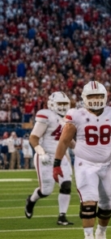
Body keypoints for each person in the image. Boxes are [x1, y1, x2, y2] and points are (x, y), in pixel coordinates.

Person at [52, 82, 111, 239]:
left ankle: (101, 233)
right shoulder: (77, 115)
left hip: (107, 165)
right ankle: (88, 238)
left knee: (108, 203)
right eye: (91, 96)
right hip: (85, 163)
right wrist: (57, 164)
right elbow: (64, 141)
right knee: (89, 202)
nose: (95, 99)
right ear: (84, 98)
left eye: (98, 96)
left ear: (105, 96)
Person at [25, 92, 75, 226]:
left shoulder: (68, 118)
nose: (63, 107)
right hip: (45, 156)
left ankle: (62, 216)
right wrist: (41, 152)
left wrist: (81, 151)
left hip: (61, 155)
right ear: (52, 104)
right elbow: (33, 138)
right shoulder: (47, 116)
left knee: (66, 185)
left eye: (65, 104)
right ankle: (31, 200)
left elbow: (68, 140)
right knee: (46, 190)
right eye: (61, 104)